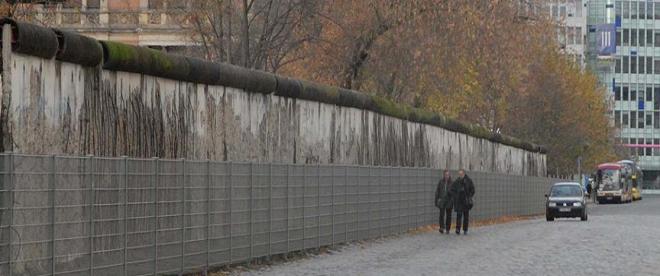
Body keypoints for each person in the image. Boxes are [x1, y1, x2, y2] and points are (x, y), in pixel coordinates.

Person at [450, 169, 475, 235]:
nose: (460, 175)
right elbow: (452, 190)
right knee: (458, 216)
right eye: (459, 174)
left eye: (461, 174)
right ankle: (457, 229)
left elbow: (473, 190)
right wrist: (455, 196)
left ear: (464, 174)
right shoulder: (457, 181)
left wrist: (469, 196)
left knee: (466, 216)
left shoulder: (469, 180)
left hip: (466, 201)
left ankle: (465, 229)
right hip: (459, 201)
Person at [434, 170, 453, 234]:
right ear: (444, 175)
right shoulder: (441, 182)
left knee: (448, 215)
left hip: (449, 201)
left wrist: (452, 199)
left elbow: (454, 192)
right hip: (442, 200)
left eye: (448, 175)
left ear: (449, 175)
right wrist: (437, 200)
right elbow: (437, 191)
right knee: (441, 215)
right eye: (445, 175)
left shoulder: (452, 182)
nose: (447, 176)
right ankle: (441, 227)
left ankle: (448, 228)